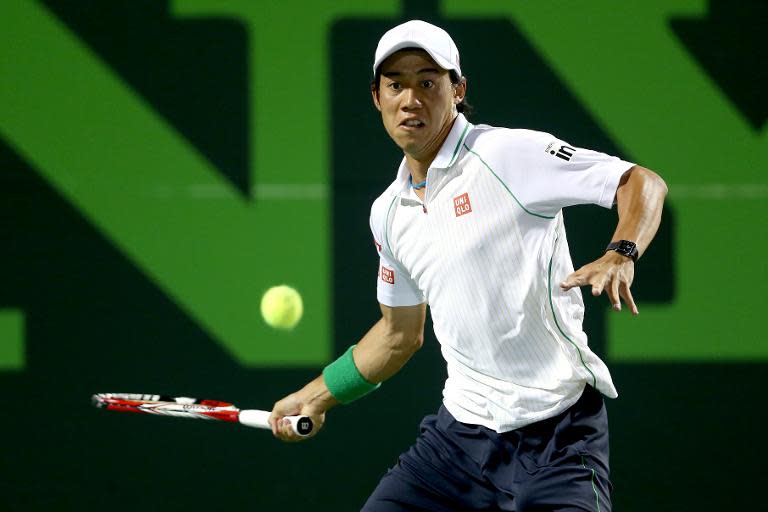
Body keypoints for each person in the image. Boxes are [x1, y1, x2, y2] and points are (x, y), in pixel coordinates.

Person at [269, 19, 667, 511]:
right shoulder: (389, 213)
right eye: (395, 84)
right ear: (377, 97)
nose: (410, 99)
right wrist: (315, 396)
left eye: (427, 82)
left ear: (457, 90)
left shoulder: (508, 154)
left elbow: (641, 182)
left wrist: (621, 252)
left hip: (560, 438)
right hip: (456, 445)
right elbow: (398, 336)